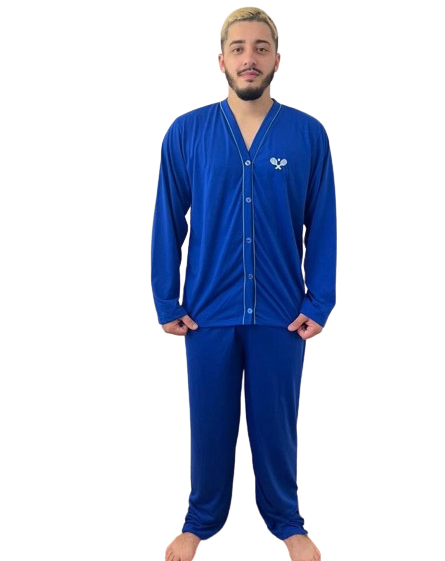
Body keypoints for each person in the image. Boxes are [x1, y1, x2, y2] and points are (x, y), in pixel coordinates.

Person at [151, 7, 336, 561]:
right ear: (221, 61)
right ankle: (199, 521)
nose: (249, 58)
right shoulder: (186, 133)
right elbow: (168, 219)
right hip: (207, 311)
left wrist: (319, 300)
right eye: (238, 48)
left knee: (276, 426)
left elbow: (322, 222)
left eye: (260, 48)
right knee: (209, 423)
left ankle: (288, 522)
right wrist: (166, 297)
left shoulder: (308, 134)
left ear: (277, 59)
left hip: (283, 313)